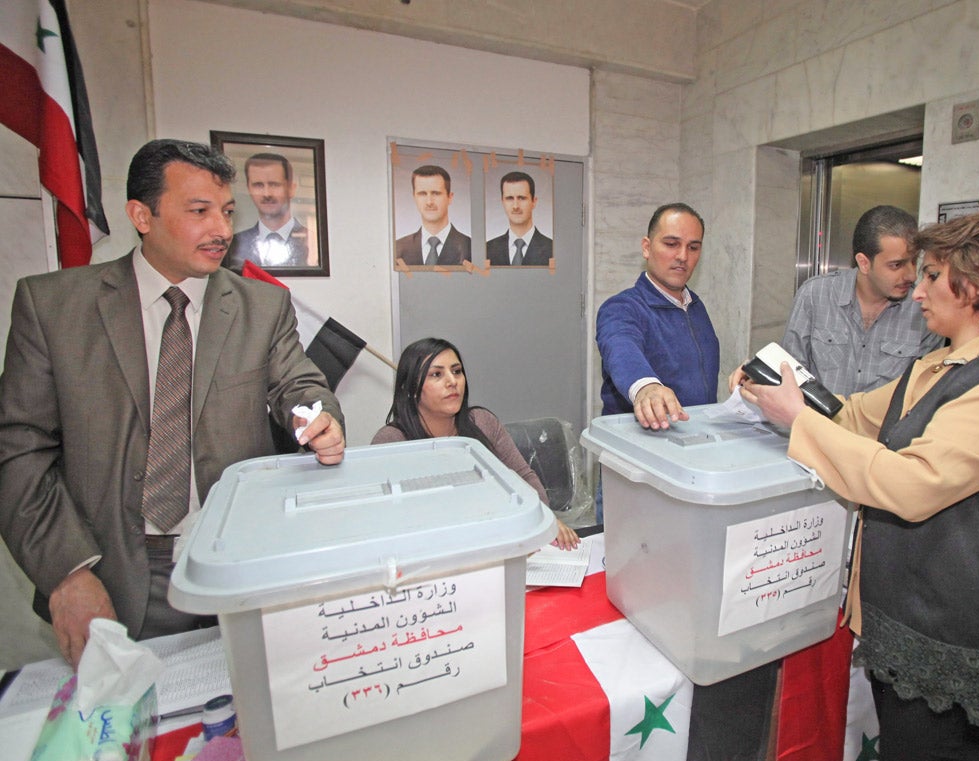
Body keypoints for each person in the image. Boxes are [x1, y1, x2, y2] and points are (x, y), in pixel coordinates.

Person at [0, 139, 346, 670]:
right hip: (106, 575)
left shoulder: (261, 306)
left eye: (228, 212)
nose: (222, 231)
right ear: (142, 215)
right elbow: (19, 451)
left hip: (236, 570)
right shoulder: (52, 308)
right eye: (199, 211)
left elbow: (297, 386)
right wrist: (67, 572)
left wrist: (315, 415)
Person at [735, 211, 979, 761]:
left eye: (932, 276)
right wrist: (775, 383)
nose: (916, 292)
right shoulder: (934, 366)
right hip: (908, 636)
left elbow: (911, 483)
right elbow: (849, 415)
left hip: (957, 653)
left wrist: (798, 419)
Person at [372, 338, 579, 551]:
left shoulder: (481, 421)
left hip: (499, 539)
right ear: (411, 389)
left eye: (457, 371)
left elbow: (524, 478)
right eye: (436, 374)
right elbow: (384, 523)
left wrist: (542, 517)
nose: (452, 381)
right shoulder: (391, 441)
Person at [782, 205, 943, 395]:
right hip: (815, 421)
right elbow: (789, 375)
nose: (910, 275)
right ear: (864, 263)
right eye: (896, 265)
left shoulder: (924, 310)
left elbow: (923, 393)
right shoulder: (815, 295)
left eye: (914, 261)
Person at [596, 202, 720, 430]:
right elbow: (621, 347)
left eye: (693, 247)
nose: (683, 256)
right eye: (672, 244)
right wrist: (646, 387)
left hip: (694, 440)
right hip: (638, 448)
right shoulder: (622, 307)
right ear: (646, 247)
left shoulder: (695, 307)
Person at [224, 152, 310, 271]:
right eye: (258, 185)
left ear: (291, 189)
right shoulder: (233, 244)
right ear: (249, 188)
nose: (267, 194)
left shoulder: (311, 240)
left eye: (274, 185)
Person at [394, 165, 471, 267]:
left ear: (450, 197)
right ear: (414, 197)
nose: (429, 202)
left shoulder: (471, 248)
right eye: (422, 194)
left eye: (436, 193)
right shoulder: (397, 248)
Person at [485, 171, 553, 266]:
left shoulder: (553, 250)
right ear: (502, 202)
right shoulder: (487, 250)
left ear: (534, 202)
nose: (515, 206)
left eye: (521, 198)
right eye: (509, 198)